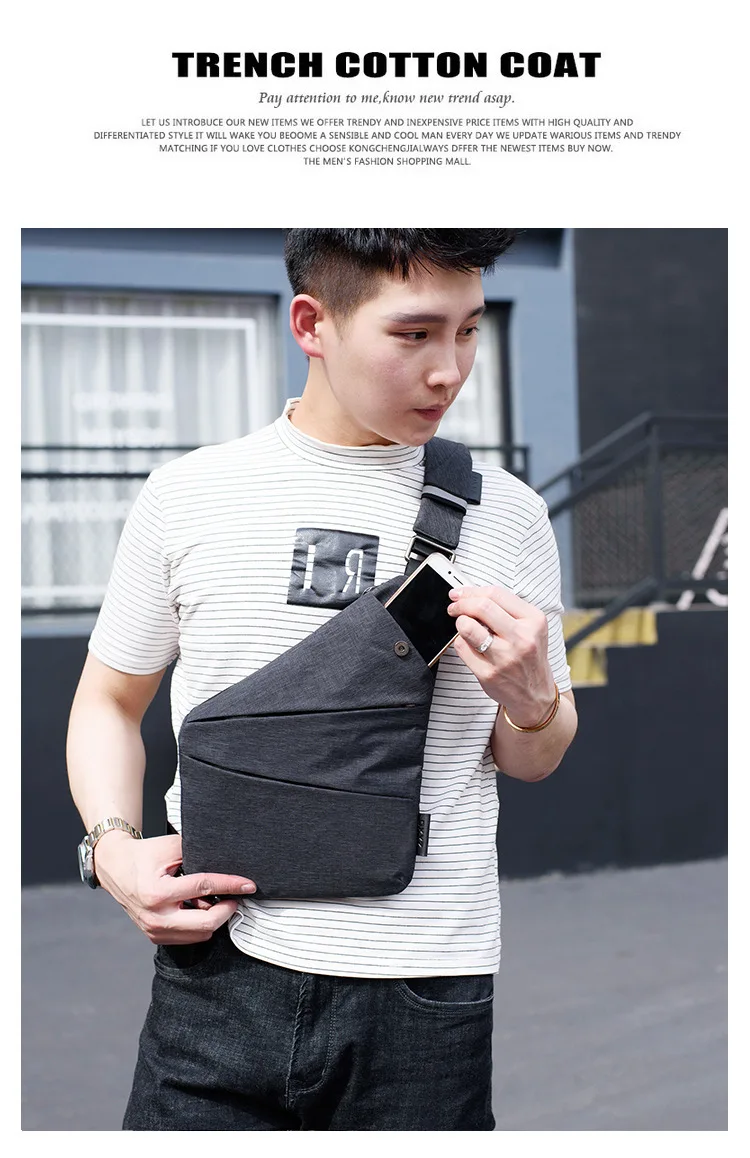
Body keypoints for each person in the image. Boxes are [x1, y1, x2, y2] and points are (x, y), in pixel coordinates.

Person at [66, 228, 578, 1131]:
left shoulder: (508, 515)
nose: (449, 371)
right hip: (216, 972)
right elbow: (109, 701)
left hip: (426, 988)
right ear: (312, 324)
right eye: (414, 334)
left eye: (469, 330)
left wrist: (534, 700)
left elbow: (535, 758)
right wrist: (111, 850)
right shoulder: (189, 495)